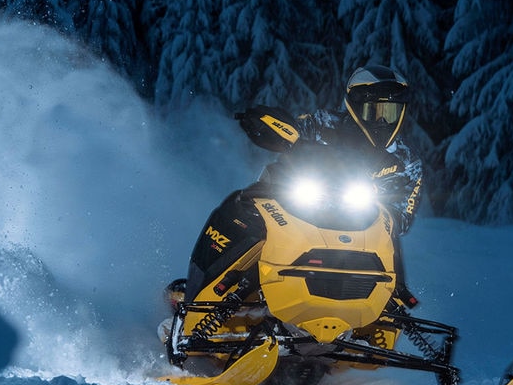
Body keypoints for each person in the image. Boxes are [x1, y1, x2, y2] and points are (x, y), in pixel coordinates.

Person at [175, 65, 423, 306]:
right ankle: (204, 291)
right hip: (297, 203)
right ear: (356, 106)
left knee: (388, 237)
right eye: (374, 111)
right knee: (238, 208)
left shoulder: (405, 159)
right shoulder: (324, 123)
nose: (381, 120)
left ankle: (389, 302)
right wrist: (267, 126)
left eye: (389, 112)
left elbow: (402, 214)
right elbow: (292, 131)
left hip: (358, 224)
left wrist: (383, 209)